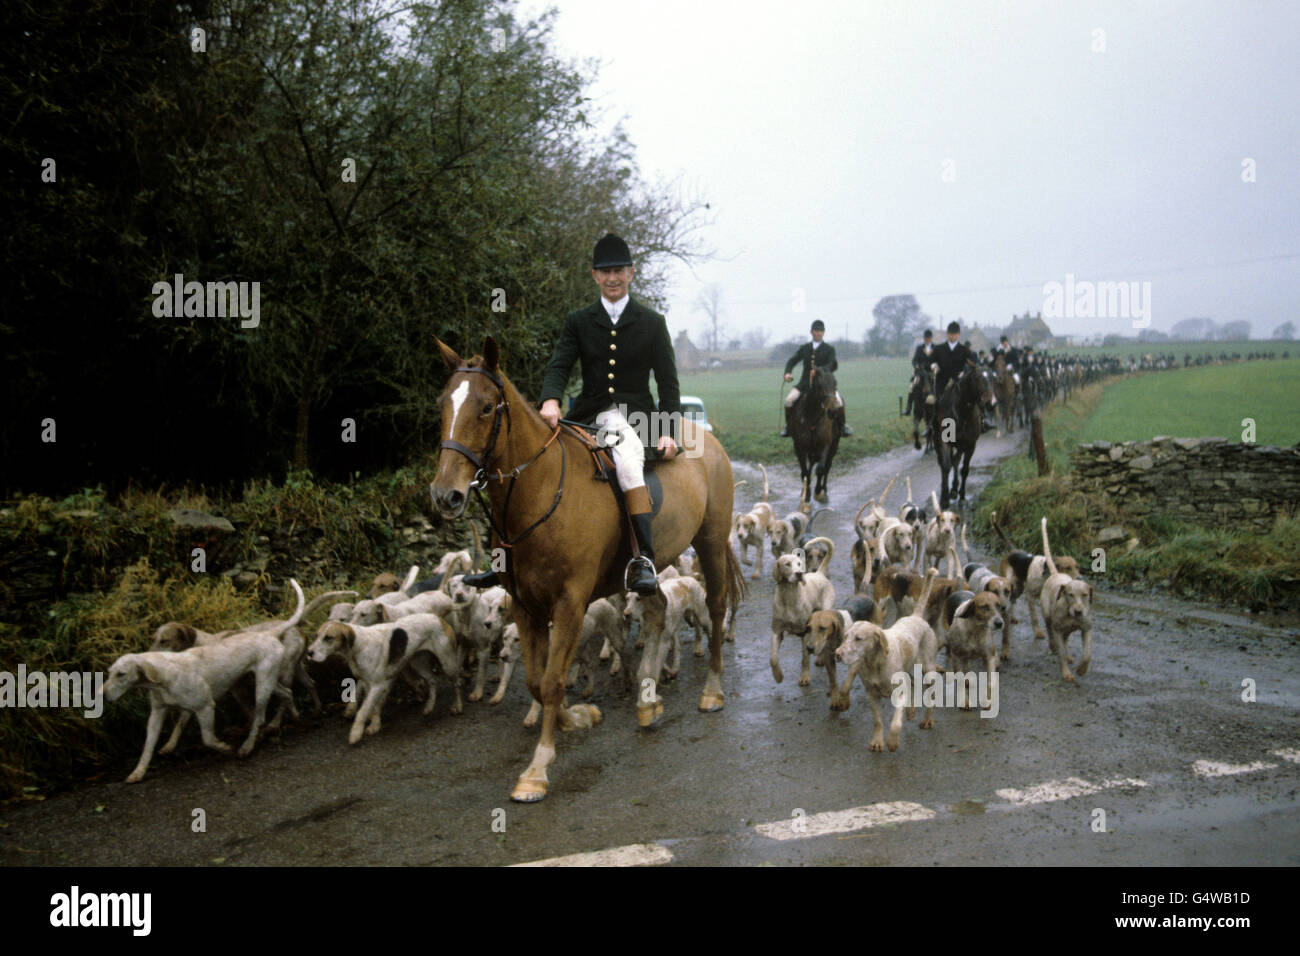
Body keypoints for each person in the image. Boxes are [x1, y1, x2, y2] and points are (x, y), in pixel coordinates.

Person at [464, 233, 680, 595]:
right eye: (604, 271)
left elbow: (668, 383)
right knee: (527, 463)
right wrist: (550, 400)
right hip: (586, 414)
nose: (611, 277)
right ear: (594, 276)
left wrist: (668, 428)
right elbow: (559, 365)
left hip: (634, 416)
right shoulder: (578, 320)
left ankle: (643, 558)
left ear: (631, 273)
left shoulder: (652, 322)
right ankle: (502, 561)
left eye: (618, 270)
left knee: (627, 463)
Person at [779, 319, 852, 436]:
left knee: (838, 402)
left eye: (821, 331)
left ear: (824, 333)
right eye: (816, 331)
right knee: (788, 400)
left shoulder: (829, 349)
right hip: (804, 384)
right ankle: (789, 427)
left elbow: (832, 364)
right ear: (811, 332)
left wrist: (819, 370)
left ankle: (843, 427)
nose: (819, 333)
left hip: (825, 385)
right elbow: (792, 361)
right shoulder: (805, 348)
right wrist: (788, 372)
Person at [931, 320, 972, 397]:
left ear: (959, 335)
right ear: (947, 334)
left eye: (955, 334)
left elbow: (972, 366)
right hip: (941, 386)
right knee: (931, 401)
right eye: (950, 334)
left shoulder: (965, 351)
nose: (952, 336)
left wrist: (965, 371)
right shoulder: (938, 349)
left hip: (960, 385)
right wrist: (933, 365)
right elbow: (930, 362)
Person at [904, 329, 935, 417]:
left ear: (931, 338)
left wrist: (934, 366)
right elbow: (914, 360)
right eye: (926, 338)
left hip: (931, 373)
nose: (927, 340)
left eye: (928, 339)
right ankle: (908, 408)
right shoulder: (919, 348)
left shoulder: (935, 348)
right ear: (924, 338)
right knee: (912, 386)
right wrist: (916, 365)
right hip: (920, 372)